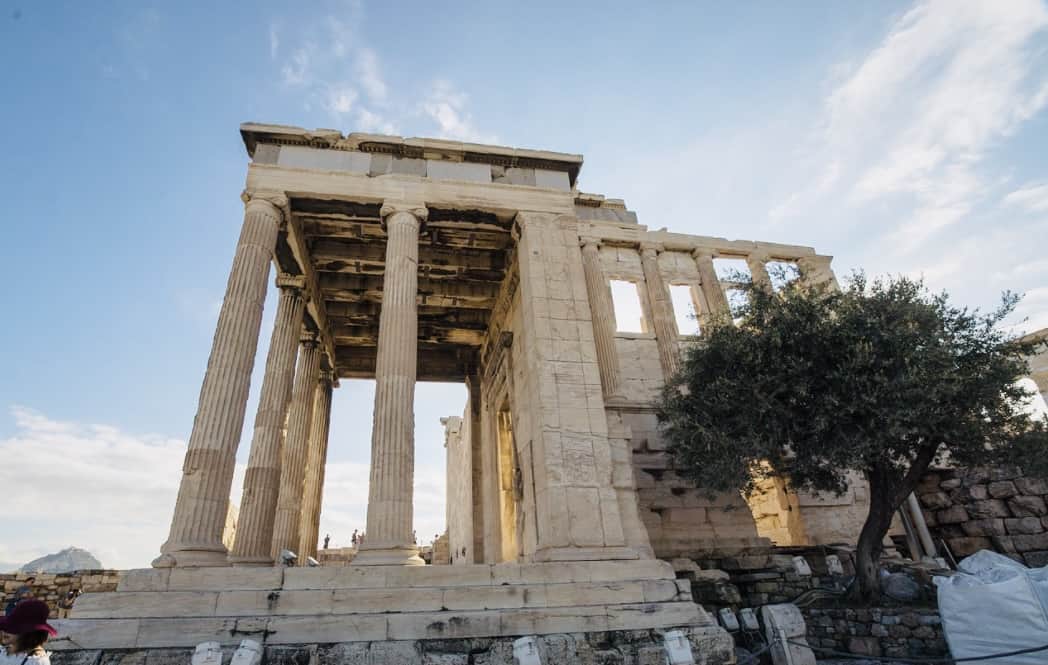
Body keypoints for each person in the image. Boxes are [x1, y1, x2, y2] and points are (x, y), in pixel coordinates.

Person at [0, 599, 57, 665]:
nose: (5, 631)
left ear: (29, 633)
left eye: (12, 628)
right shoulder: (4, 650)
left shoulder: (35, 661)